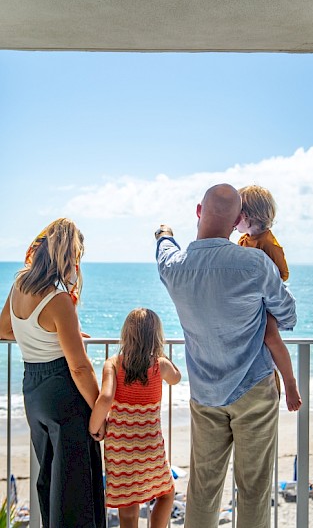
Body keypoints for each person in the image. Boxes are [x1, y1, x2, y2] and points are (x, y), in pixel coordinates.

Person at [154, 184, 297, 528]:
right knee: (254, 489)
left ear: (199, 211)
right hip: (254, 390)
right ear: (237, 222)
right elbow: (288, 316)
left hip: (205, 394)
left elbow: (164, 248)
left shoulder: (174, 268)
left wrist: (163, 233)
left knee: (204, 489)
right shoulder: (255, 263)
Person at [0, 218, 105, 528]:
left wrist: (55, 334)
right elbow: (80, 367)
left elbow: (4, 329)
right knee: (75, 487)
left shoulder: (20, 283)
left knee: (50, 479)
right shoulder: (59, 301)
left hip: (33, 390)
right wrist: (100, 408)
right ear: (68, 256)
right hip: (63, 393)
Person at [89, 307, 181, 528]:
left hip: (120, 447)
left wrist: (95, 426)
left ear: (125, 335)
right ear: (156, 337)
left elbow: (106, 398)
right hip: (149, 445)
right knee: (166, 493)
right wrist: (162, 356)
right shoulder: (160, 365)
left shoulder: (113, 363)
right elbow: (176, 378)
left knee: (128, 506)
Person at [236, 184, 302, 411]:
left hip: (264, 302)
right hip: (249, 301)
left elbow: (283, 273)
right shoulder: (245, 240)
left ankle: (290, 383)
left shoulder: (268, 242)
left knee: (271, 337)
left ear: (247, 215)